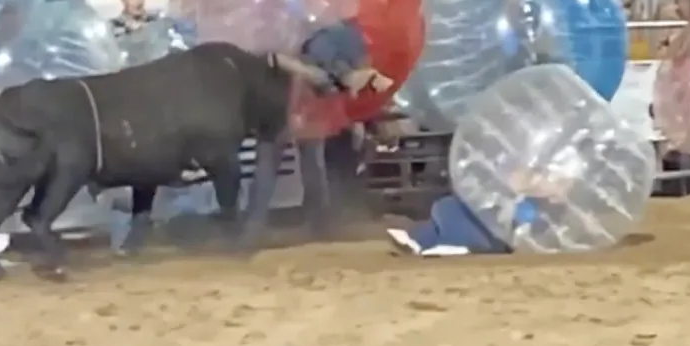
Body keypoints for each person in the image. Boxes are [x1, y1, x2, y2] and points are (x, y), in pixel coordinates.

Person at [242, 19, 393, 244]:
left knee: (277, 167)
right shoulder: (331, 40)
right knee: (305, 166)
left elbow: (314, 77)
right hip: (294, 110)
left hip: (286, 110)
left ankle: (256, 229)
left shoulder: (306, 38)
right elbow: (321, 79)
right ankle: (318, 227)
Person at [386, 170, 571, 256]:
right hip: (483, 222)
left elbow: (517, 234)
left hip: (491, 236)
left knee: (450, 211)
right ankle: (420, 241)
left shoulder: (539, 213)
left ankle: (448, 245)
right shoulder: (528, 199)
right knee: (448, 207)